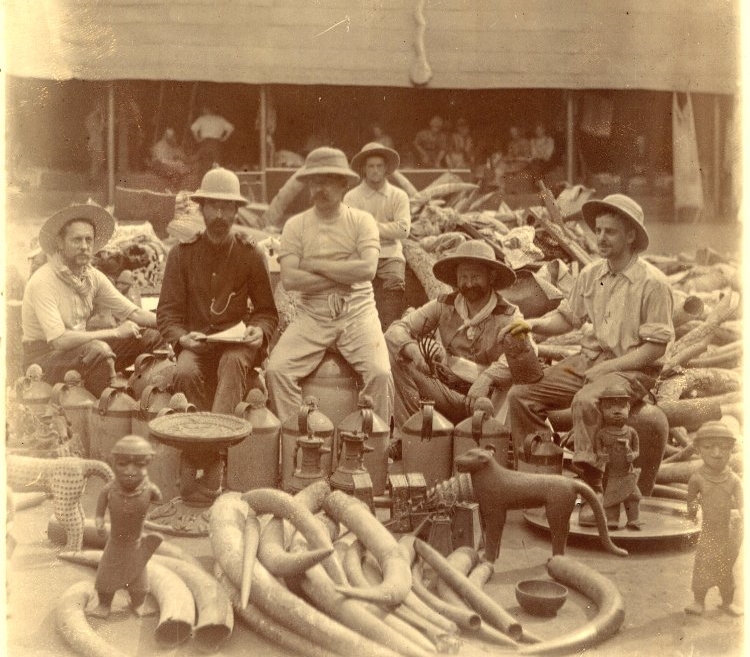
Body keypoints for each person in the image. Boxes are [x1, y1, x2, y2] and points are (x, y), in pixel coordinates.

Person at [505, 194, 674, 525]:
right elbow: (567, 319)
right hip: (590, 361)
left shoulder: (653, 283)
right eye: (598, 230)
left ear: (630, 237)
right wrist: (536, 324)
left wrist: (607, 368)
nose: (601, 238)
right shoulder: (591, 273)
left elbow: (655, 349)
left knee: (585, 401)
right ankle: (543, 478)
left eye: (610, 231)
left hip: (635, 370)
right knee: (521, 396)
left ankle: (591, 490)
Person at [265, 147, 394, 425]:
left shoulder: (362, 221)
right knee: (276, 370)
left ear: (344, 183)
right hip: (312, 313)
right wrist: (344, 273)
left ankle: (372, 451)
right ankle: (298, 444)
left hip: (357, 312)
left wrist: (315, 264)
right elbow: (290, 279)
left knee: (381, 373)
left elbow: (368, 270)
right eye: (313, 181)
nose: (318, 188)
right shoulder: (295, 225)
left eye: (326, 180)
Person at [157, 166, 278, 413]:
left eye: (227, 207)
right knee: (185, 371)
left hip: (237, 346)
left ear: (236, 211)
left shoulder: (251, 254)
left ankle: (216, 439)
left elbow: (266, 312)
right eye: (213, 206)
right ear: (202, 209)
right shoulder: (181, 255)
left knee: (233, 361)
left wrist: (259, 331)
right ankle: (200, 437)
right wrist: (182, 337)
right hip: (196, 343)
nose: (219, 215)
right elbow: (167, 313)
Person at [21, 203, 162, 397]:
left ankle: (149, 402)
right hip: (43, 358)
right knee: (98, 351)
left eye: (89, 240)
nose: (85, 246)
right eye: (77, 240)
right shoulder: (43, 281)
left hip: (80, 351)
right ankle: (106, 412)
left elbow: (134, 313)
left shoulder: (91, 276)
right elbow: (60, 341)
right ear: (60, 243)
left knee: (151, 337)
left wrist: (175, 325)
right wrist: (115, 332)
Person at [385, 240, 522, 428]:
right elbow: (396, 330)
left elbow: (524, 354)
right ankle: (407, 435)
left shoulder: (508, 314)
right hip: (448, 391)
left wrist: (487, 378)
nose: (469, 284)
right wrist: (412, 350)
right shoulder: (444, 305)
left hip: (488, 400)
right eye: (463, 277)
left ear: (491, 277)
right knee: (398, 360)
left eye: (475, 276)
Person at [90, 435, 163, 618]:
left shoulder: (150, 490)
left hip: (135, 545)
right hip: (114, 544)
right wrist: (99, 523)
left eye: (138, 464)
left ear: (147, 463)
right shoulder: (108, 490)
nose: (130, 471)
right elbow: (99, 513)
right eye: (123, 463)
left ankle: (138, 604)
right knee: (105, 578)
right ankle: (104, 605)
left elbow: (159, 501)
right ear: (114, 463)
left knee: (140, 583)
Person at [345, 142, 411, 331]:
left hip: (390, 254)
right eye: (371, 166)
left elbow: (404, 230)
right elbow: (350, 230)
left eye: (379, 166)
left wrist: (370, 226)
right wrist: (384, 230)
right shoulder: (352, 197)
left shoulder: (398, 196)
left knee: (394, 287)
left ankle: (390, 335)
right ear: (364, 169)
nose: (375, 171)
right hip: (362, 253)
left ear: (386, 169)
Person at [684, 421, 743, 617]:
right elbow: (691, 499)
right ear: (698, 449)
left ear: (731, 449)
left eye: (724, 447)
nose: (717, 453)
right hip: (707, 533)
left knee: (726, 571)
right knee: (702, 567)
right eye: (709, 447)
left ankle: (727, 602)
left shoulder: (733, 479)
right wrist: (692, 511)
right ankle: (698, 601)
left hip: (726, 533)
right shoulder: (697, 478)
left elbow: (743, 505)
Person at [594, 385, 643, 530]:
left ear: (628, 407)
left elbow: (637, 451)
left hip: (627, 473)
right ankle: (612, 520)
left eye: (621, 407)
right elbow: (598, 452)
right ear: (601, 410)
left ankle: (633, 519)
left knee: (632, 498)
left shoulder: (631, 432)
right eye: (609, 407)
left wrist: (632, 455)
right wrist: (602, 456)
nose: (616, 411)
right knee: (611, 498)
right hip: (613, 475)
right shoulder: (602, 434)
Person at [190, 105, 234, 174]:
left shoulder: (202, 119)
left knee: (205, 163)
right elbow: (231, 128)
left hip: (205, 143)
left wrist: (197, 138)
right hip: (216, 143)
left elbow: (193, 128)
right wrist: (224, 138)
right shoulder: (220, 119)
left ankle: (205, 181)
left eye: (204, 110)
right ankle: (216, 181)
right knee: (217, 163)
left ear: (208, 110)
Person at [84, 101, 106, 184]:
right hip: (95, 142)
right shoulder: (93, 119)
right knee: (97, 160)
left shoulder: (93, 118)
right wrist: (102, 119)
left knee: (97, 160)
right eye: (99, 106)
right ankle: (94, 178)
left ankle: (95, 178)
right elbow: (100, 129)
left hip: (95, 141)